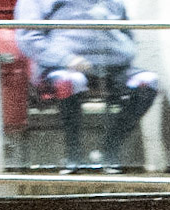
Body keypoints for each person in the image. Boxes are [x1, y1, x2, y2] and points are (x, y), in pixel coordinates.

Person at [14, 0, 159, 171]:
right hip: (62, 66)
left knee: (148, 81)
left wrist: (123, 53)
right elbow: (28, 38)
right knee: (71, 81)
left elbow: (126, 32)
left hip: (114, 67)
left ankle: (110, 149)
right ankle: (73, 156)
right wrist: (66, 59)